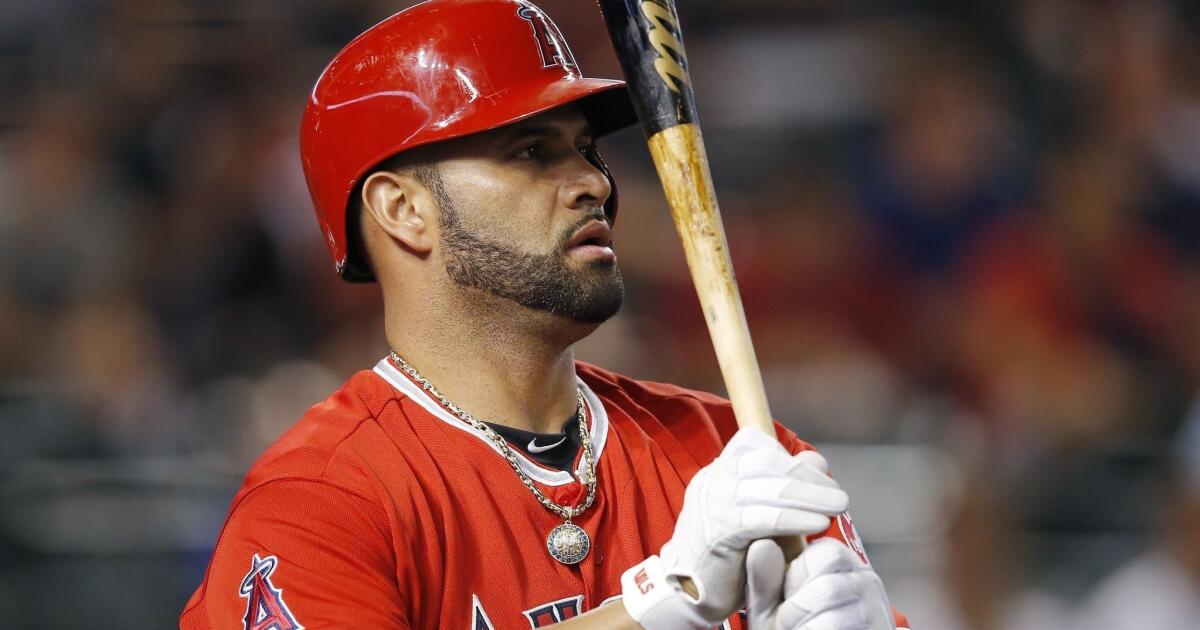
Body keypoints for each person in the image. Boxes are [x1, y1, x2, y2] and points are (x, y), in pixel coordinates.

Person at [180, 1, 909, 628]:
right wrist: (660, 601)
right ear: (403, 210)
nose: (593, 181)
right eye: (531, 152)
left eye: (586, 150)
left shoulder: (732, 451)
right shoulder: (322, 501)